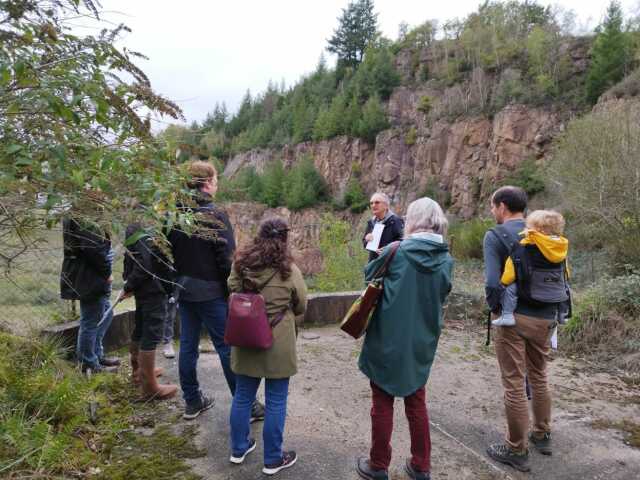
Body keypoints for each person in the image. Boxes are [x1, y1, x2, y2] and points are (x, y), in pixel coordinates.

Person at [356, 197, 453, 480]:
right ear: (437, 222)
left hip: (388, 336)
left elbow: (368, 275)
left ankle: (378, 465)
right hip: (422, 338)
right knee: (416, 401)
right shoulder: (446, 259)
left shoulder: (395, 250)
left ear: (412, 220)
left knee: (382, 401)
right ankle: (421, 466)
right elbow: (443, 293)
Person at [168, 160, 264, 420]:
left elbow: (168, 253)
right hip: (211, 292)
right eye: (216, 179)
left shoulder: (174, 215)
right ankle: (248, 406)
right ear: (207, 183)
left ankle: (192, 401)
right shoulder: (214, 215)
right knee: (226, 347)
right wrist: (233, 288)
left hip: (184, 289)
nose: (217, 184)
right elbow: (227, 258)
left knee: (188, 346)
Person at [483, 186, 560, 472]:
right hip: (546, 316)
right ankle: (542, 433)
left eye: (493, 207)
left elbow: (492, 282)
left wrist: (495, 307)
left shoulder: (496, 235)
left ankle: (516, 449)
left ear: (502, 206)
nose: (493, 212)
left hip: (513, 318)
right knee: (539, 375)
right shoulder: (547, 234)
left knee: (514, 382)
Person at [228, 218, 307, 476]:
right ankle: (273, 459)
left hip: (246, 338)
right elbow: (301, 305)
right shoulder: (289, 270)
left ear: (259, 236)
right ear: (284, 239)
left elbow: (231, 289)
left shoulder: (241, 265)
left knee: (242, 396)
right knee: (276, 401)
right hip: (278, 342)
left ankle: (239, 449)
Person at [122, 222, 178, 400]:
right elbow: (145, 261)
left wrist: (130, 283)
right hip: (153, 288)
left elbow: (132, 257)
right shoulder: (145, 225)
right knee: (151, 333)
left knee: (141, 327)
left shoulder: (134, 223)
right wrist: (130, 284)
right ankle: (150, 387)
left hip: (143, 287)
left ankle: (139, 372)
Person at [60, 217, 121, 373]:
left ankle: (96, 356)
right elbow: (93, 249)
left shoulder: (80, 213)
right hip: (91, 277)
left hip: (91, 275)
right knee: (91, 321)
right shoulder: (84, 218)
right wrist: (106, 272)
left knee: (104, 315)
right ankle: (89, 363)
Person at [492, 210, 569, 327]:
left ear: (537, 229)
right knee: (565, 287)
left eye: (529, 226)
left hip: (531, 290)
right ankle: (562, 314)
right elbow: (566, 272)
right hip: (554, 290)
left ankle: (507, 315)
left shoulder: (525, 245)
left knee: (510, 288)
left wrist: (503, 282)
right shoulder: (560, 248)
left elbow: (510, 272)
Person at [362, 192, 404, 262]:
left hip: (391, 265)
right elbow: (365, 244)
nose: (373, 205)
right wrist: (366, 239)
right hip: (374, 264)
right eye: (371, 203)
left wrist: (388, 250)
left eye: (377, 202)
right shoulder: (371, 222)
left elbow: (403, 243)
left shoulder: (396, 221)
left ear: (386, 205)